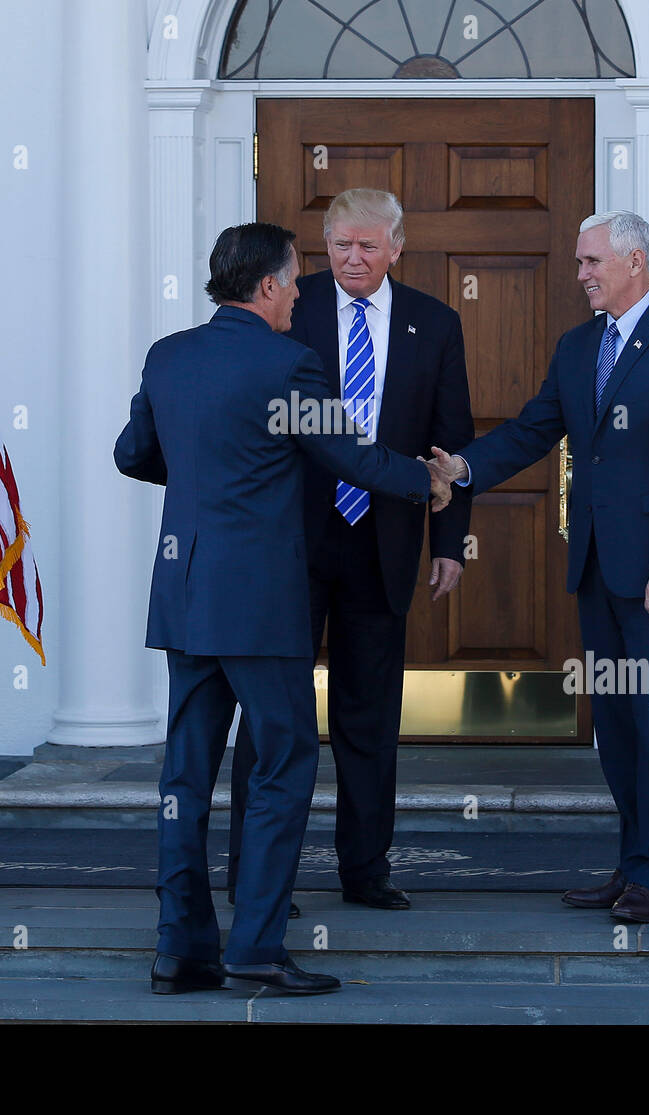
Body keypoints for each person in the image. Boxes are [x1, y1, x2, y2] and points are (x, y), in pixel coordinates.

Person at [115, 221, 449, 995]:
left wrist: (207, 467)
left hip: (187, 594)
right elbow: (351, 456)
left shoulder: (169, 356)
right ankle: (257, 948)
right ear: (266, 286)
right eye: (296, 280)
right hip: (261, 602)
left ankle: (180, 949)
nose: (302, 293)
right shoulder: (289, 364)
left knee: (184, 775)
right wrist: (424, 482)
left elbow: (134, 454)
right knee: (281, 766)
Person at [429, 211, 649, 923]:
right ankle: (636, 865)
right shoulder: (577, 347)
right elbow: (537, 428)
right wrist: (466, 465)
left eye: (592, 261)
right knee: (620, 727)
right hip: (597, 569)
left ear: (635, 261)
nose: (581, 274)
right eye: (578, 262)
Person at [226, 189, 473, 912]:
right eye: (340, 245)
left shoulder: (437, 322)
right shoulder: (284, 307)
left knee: (369, 719)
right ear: (322, 246)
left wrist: (450, 542)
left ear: (398, 245)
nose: (353, 259)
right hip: (289, 544)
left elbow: (445, 446)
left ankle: (365, 871)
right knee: (273, 718)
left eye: (368, 245)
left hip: (384, 543)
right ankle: (256, 877)